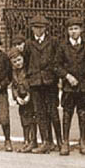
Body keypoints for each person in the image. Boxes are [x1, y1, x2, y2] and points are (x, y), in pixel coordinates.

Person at [25, 15, 63, 154]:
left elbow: (57, 60)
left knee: (53, 111)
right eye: (35, 28)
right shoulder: (29, 44)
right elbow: (27, 60)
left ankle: (59, 141)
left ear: (46, 28)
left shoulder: (53, 42)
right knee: (40, 112)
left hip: (49, 81)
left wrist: (53, 76)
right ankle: (46, 141)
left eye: (41, 28)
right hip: (35, 82)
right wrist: (30, 78)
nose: (38, 31)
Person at [60, 16, 85, 156]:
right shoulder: (63, 46)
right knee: (67, 113)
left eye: (76, 29)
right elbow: (56, 65)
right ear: (67, 31)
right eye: (71, 29)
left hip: (83, 86)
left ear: (81, 30)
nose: (73, 32)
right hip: (69, 86)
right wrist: (67, 76)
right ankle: (65, 142)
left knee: (82, 113)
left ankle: (82, 141)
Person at [10, 50, 36, 152]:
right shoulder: (13, 72)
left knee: (32, 119)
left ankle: (33, 141)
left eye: (19, 60)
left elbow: (32, 83)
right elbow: (14, 86)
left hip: (30, 97)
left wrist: (29, 95)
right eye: (15, 62)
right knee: (24, 119)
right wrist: (17, 97)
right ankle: (26, 140)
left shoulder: (28, 70)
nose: (18, 63)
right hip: (21, 98)